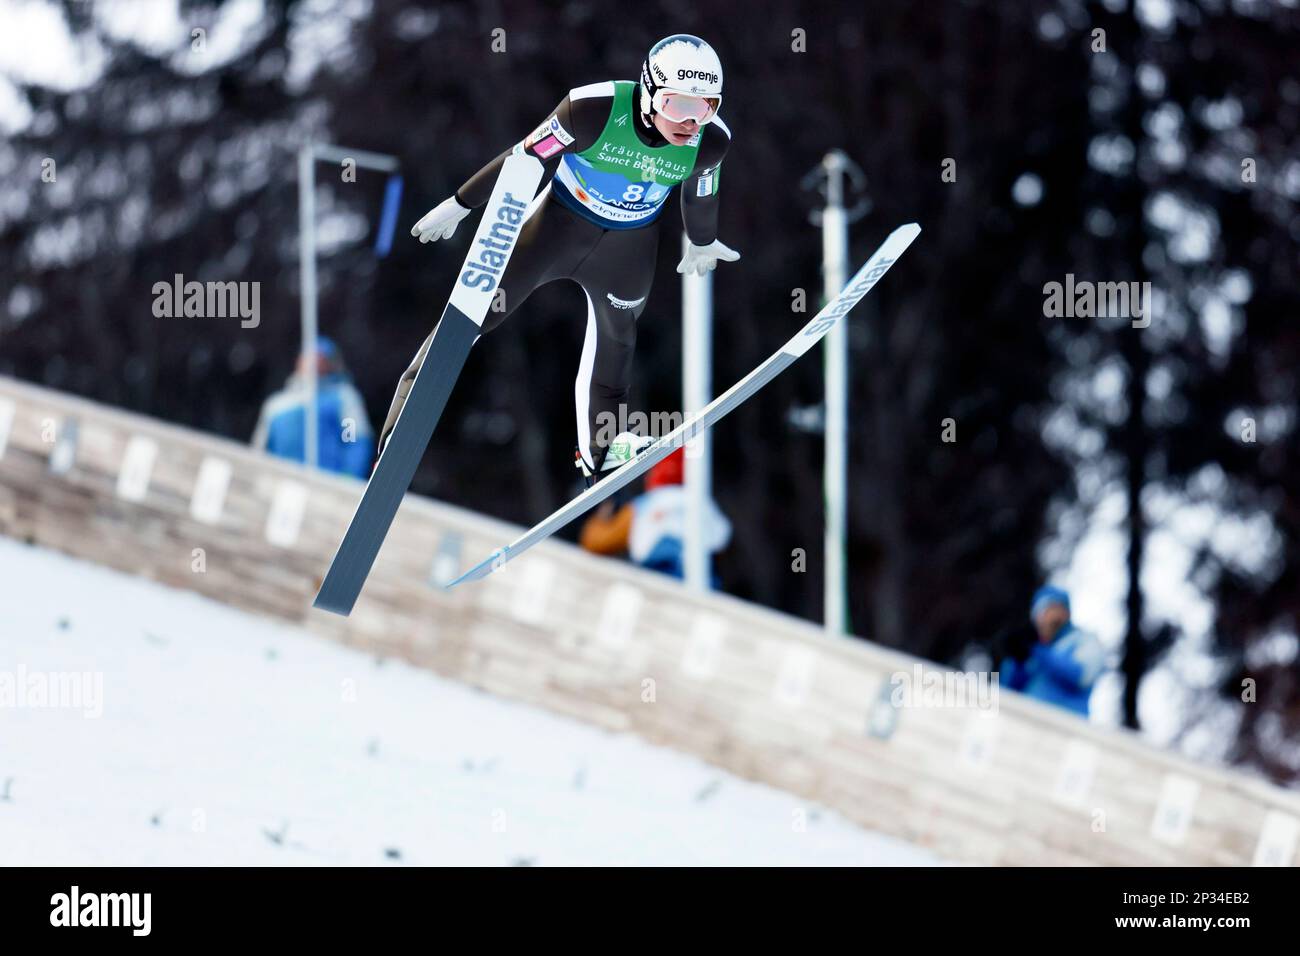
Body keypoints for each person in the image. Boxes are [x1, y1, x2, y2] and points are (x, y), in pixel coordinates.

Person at [381, 34, 737, 485]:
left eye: (705, 107)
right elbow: (525, 158)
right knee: (472, 317)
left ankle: (600, 451)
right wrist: (461, 202)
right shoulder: (591, 110)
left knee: (618, 344)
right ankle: (401, 428)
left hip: (628, 247)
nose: (690, 122)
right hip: (556, 228)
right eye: (677, 105)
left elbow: (701, 195)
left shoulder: (711, 142)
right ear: (648, 92)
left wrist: (702, 241)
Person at [579, 447, 731, 581]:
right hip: (700, 574)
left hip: (658, 572)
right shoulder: (701, 502)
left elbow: (596, 541)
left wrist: (603, 512)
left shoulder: (646, 504)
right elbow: (722, 537)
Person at [251, 337, 375, 479]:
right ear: (299, 361)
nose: (314, 363)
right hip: (283, 485)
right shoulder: (276, 405)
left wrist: (349, 476)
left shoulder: (344, 398)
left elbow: (353, 439)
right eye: (309, 357)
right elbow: (260, 449)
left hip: (327, 484)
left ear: (330, 364)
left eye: (320, 358)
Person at [998, 585, 1106, 717]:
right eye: (1038, 612)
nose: (1042, 617)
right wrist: (1017, 662)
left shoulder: (1084, 640)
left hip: (1067, 727)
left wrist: (1039, 651)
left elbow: (1081, 676)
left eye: (1048, 608)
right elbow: (1007, 693)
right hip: (1027, 724)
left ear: (1065, 612)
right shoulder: (1034, 650)